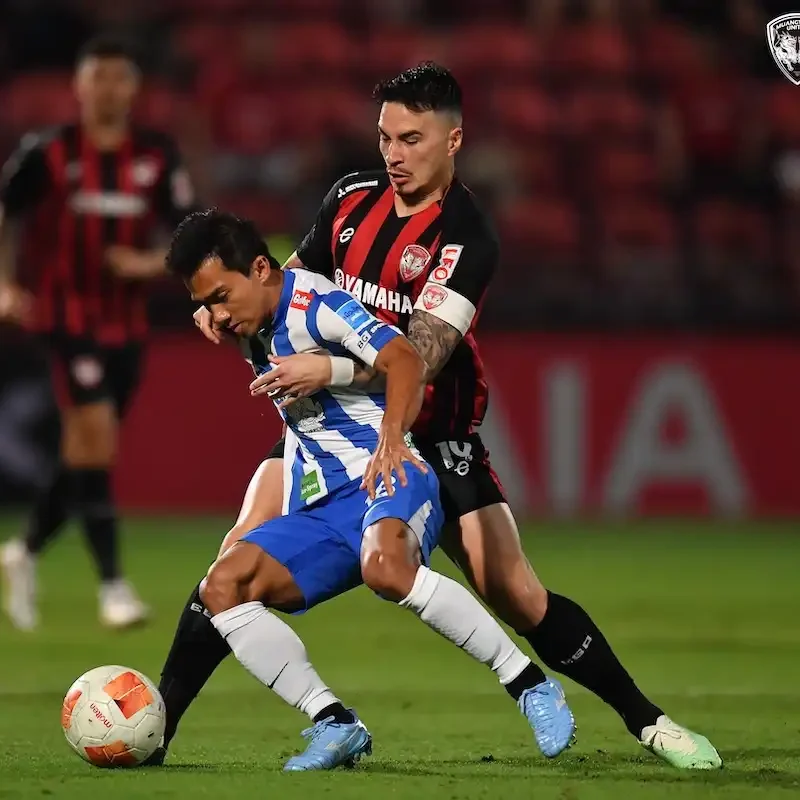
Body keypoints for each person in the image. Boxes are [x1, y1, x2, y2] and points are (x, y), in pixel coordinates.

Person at [164, 63, 721, 769]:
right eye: (385, 138)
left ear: (454, 140)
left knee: (514, 594)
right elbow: (284, 289)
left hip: (430, 430)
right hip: (333, 423)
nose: (394, 155)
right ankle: (154, 723)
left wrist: (328, 366)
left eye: (412, 139)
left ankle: (648, 722)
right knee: (233, 560)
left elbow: (417, 358)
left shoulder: (468, 237)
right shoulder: (348, 200)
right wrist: (225, 306)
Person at [161, 208, 575, 770]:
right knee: (222, 587)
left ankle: (530, 685)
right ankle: (334, 723)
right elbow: (231, 309)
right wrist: (214, 310)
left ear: (261, 268)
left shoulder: (318, 304)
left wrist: (389, 433)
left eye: (220, 296)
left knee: (386, 568)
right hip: (324, 504)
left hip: (389, 474)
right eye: (204, 302)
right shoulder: (247, 316)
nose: (215, 313)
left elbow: (404, 357)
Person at [0, 35, 197, 630]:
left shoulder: (157, 156)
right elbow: (7, 210)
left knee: (85, 452)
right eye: (98, 78)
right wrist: (6, 286)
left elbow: (191, 234)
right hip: (65, 319)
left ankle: (24, 550)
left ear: (134, 88)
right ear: (80, 87)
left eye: (119, 78)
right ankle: (113, 587)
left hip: (127, 325)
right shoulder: (48, 152)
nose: (108, 89)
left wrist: (145, 265)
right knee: (96, 443)